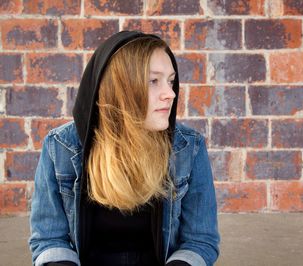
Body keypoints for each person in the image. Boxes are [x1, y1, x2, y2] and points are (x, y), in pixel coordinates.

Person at [29, 31, 220, 266]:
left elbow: (201, 241)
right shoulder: (60, 147)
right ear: (120, 88)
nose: (171, 93)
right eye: (153, 81)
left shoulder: (189, 148)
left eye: (171, 81)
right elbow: (49, 240)